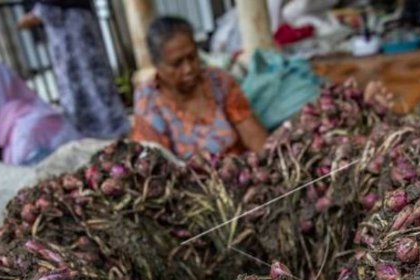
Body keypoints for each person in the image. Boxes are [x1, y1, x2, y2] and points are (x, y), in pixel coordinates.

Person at [132, 16, 268, 160]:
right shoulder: (148, 101)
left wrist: (270, 162)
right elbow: (155, 161)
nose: (188, 69)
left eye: (192, 57)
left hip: (239, 170)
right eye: (177, 64)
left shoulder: (219, 81)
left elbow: (254, 137)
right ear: (157, 65)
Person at [18, 0, 130, 139]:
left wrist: (28, 19)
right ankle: (112, 129)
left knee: (82, 83)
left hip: (71, 35)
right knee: (94, 81)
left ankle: (102, 133)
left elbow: (49, 11)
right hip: (81, 24)